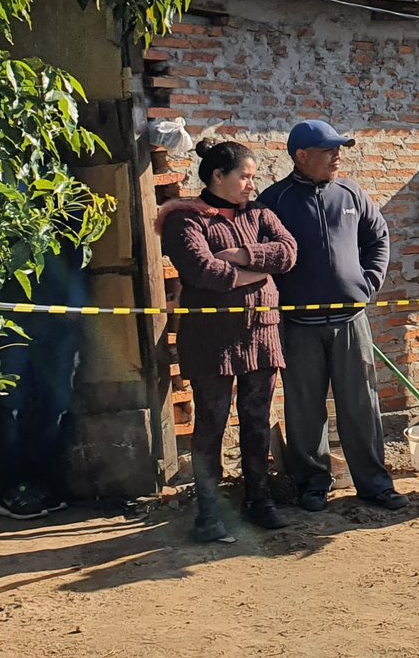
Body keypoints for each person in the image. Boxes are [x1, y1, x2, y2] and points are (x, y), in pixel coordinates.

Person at [257, 120, 407, 512]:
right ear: (301, 156)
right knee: (304, 408)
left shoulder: (351, 193)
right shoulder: (275, 201)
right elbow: (261, 256)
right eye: (328, 150)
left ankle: (374, 484)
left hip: (349, 321)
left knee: (361, 404)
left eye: (339, 148)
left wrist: (368, 282)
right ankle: (312, 484)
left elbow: (378, 237)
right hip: (298, 325)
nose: (337, 156)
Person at [159, 139, 299, 542]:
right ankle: (209, 511)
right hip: (212, 339)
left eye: (253, 177)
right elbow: (202, 271)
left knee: (256, 418)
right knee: (212, 421)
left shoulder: (259, 213)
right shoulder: (185, 219)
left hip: (261, 332)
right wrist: (258, 271)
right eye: (245, 177)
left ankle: (258, 498)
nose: (251, 185)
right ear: (218, 176)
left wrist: (239, 255)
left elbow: (288, 253)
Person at [0, 246, 89, 520]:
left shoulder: (69, 205)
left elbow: (80, 248)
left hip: (59, 319)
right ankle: (10, 489)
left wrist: (77, 299)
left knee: (55, 405)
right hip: (5, 316)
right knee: (10, 403)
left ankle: (40, 484)